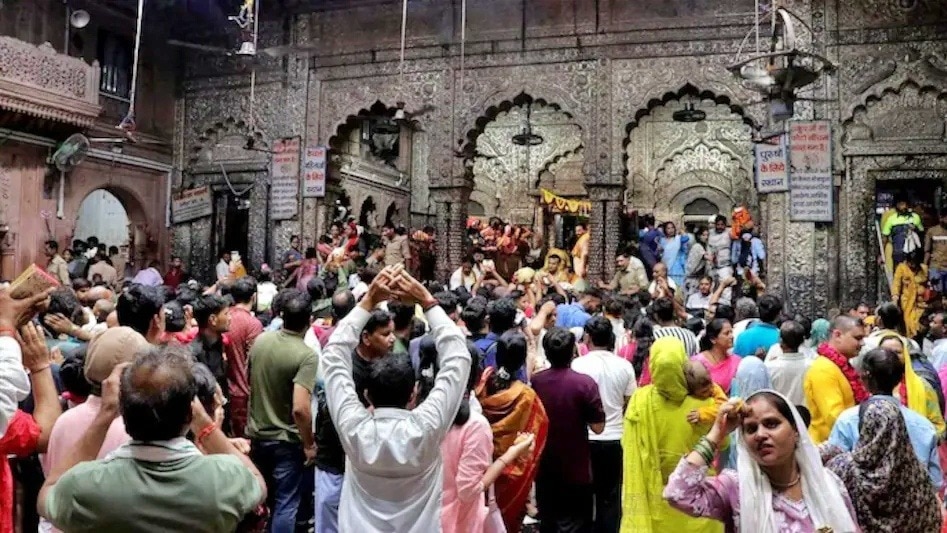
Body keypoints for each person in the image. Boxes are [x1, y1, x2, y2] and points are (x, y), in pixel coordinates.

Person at [38, 345, 267, 532]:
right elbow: (257, 481)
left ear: (123, 412)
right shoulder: (224, 478)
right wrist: (204, 423)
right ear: (190, 413)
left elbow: (48, 495)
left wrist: (105, 414)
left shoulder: (88, 486)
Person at [321, 265, 472, 531]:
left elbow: (333, 355)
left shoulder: (354, 429)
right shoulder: (427, 426)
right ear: (414, 394)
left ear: (367, 395)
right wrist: (427, 301)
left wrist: (368, 301)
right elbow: (458, 358)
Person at [664, 391, 859, 532]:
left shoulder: (828, 483)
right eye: (751, 429)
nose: (760, 435)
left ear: (796, 431)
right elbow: (677, 494)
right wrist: (717, 432)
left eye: (771, 424)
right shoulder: (736, 489)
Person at [621, 337, 722, 533]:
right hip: (698, 502)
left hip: (658, 501)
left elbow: (629, 444)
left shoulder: (640, 401)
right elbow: (723, 442)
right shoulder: (707, 405)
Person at [436, 343, 535, 533]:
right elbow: (469, 490)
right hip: (460, 518)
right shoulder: (475, 424)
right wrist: (512, 453)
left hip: (428, 515)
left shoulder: (424, 415)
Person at [313, 306, 391, 533]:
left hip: (367, 466)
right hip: (335, 461)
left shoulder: (387, 368)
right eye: (385, 334)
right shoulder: (346, 370)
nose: (392, 339)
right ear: (366, 337)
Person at [247, 289, 317, 533]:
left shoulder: (261, 341)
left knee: (262, 500)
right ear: (309, 320)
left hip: (258, 435)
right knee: (286, 504)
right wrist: (309, 444)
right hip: (286, 441)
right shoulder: (306, 356)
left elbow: (250, 379)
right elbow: (300, 408)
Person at [827, 347, 942, 491]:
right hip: (911, 501)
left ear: (864, 376)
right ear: (900, 378)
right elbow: (935, 482)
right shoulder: (923, 425)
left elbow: (834, 475)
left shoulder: (848, 420)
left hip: (863, 502)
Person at [825, 398, 939, 532]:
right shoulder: (916, 474)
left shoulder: (845, 469)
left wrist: (829, 451)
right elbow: (932, 517)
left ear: (865, 428)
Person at [531, 327, 606, 531]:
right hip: (576, 467)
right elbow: (598, 427)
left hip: (545, 465)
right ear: (573, 351)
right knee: (576, 524)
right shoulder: (585, 384)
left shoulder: (535, 382)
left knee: (548, 522)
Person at [477, 330, 549, 533]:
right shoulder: (527, 396)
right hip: (512, 467)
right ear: (522, 360)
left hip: (484, 464)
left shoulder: (483, 384)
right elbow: (539, 430)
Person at [570, 318, 636, 532]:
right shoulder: (625, 366)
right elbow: (629, 403)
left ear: (588, 337)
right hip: (615, 438)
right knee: (610, 496)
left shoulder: (578, 365)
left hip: (585, 440)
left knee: (583, 494)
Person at [804, 315, 867, 443]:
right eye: (858, 338)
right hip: (828, 446)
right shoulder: (824, 369)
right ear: (837, 335)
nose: (862, 343)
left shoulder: (841, 365)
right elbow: (835, 417)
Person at [878, 334, 946, 438]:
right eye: (886, 352)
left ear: (906, 355)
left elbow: (938, 425)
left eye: (897, 352)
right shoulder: (869, 386)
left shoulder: (923, 386)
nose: (892, 356)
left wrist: (923, 441)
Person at [226, 277, 264, 437]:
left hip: (224, 389)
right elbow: (256, 360)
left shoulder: (224, 316)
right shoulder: (252, 324)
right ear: (253, 297)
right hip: (243, 392)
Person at [189, 294, 232, 401]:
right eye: (226, 314)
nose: (230, 318)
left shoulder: (222, 343)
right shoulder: (194, 354)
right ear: (213, 319)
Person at [764, 321, 812, 406]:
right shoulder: (812, 366)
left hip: (779, 412)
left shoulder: (769, 368)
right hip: (804, 412)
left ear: (781, 342)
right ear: (802, 341)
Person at [692, 318, 741, 394]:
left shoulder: (736, 361)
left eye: (731, 332)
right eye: (727, 333)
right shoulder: (698, 362)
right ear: (713, 339)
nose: (731, 336)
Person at [892, 251, 929, 338]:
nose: (913, 265)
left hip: (921, 303)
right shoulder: (901, 268)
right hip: (907, 302)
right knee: (910, 323)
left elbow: (928, 284)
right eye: (911, 263)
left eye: (915, 263)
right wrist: (895, 299)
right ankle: (911, 338)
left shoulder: (924, 269)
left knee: (920, 323)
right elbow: (896, 284)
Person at [658, 221, 689, 288]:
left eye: (672, 228)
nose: (671, 230)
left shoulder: (678, 238)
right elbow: (660, 253)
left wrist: (682, 231)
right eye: (668, 228)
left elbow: (686, 238)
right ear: (665, 230)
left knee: (677, 286)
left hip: (676, 266)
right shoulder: (662, 240)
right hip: (665, 265)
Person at [685, 226, 712, 296]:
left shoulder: (706, 246)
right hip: (693, 278)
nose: (706, 237)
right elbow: (706, 257)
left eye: (707, 235)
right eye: (703, 235)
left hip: (700, 277)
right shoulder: (697, 246)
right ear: (699, 236)